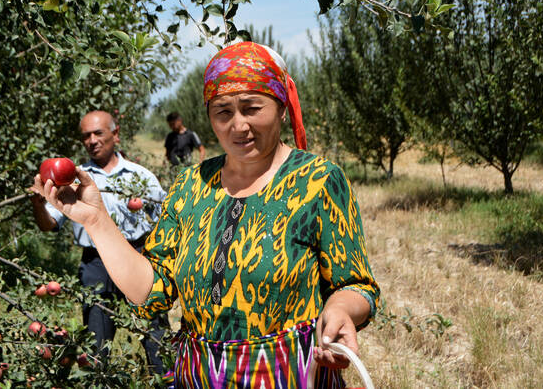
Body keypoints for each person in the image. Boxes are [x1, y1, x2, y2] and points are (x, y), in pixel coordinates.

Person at [32, 43, 379, 388]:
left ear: (282, 107)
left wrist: (341, 309)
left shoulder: (317, 180)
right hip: (199, 378)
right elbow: (151, 289)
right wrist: (95, 220)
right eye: (223, 112)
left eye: (252, 108)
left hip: (291, 376)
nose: (238, 126)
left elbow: (355, 284)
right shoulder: (190, 186)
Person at [29, 110, 168, 375]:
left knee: (156, 336)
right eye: (86, 136)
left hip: (137, 256)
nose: (92, 140)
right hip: (95, 265)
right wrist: (38, 203)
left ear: (115, 135)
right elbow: (49, 224)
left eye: (98, 133)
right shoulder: (69, 180)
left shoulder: (141, 177)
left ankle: (166, 379)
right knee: (96, 342)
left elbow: (165, 222)